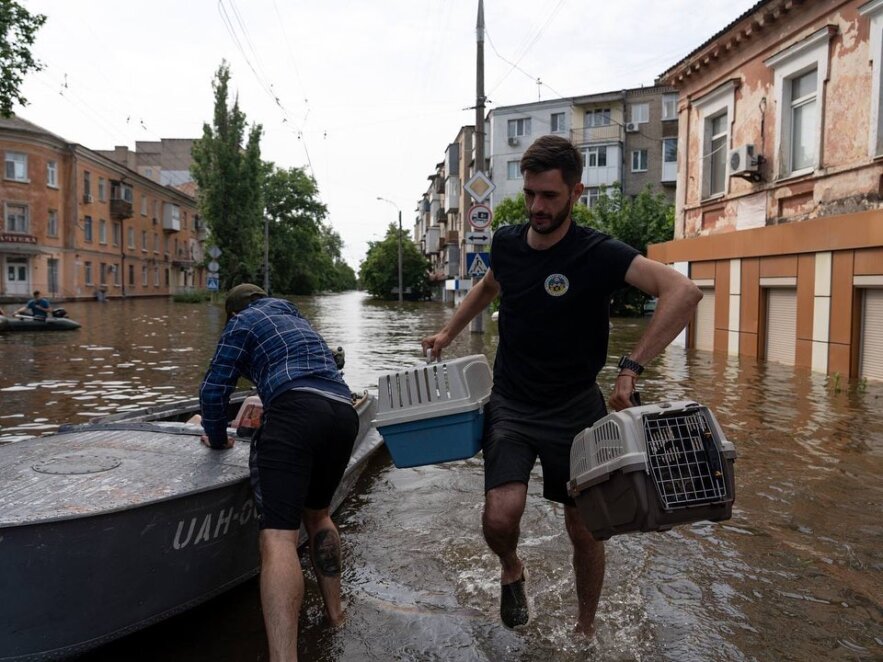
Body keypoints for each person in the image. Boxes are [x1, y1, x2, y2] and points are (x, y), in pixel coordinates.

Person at [421, 135, 702, 634]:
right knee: (501, 516)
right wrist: (448, 331)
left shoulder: (597, 252)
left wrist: (631, 367)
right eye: (530, 194)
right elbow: (490, 285)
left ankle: (585, 628)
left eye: (549, 196)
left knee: (586, 530)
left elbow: (683, 291)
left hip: (576, 409)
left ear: (575, 191)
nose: (537, 206)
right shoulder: (507, 242)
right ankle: (512, 567)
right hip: (512, 402)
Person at [199, 283, 360, 661]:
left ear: (232, 311)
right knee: (319, 515)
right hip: (342, 412)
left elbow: (213, 390)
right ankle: (337, 616)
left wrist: (218, 437)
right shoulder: (295, 318)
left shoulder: (241, 323)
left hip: (295, 413)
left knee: (279, 539)